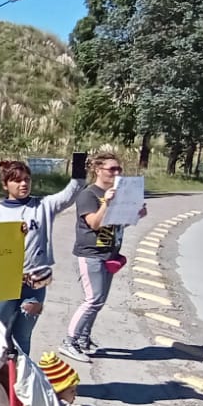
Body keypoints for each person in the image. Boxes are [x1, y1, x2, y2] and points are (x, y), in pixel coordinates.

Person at [0, 158, 86, 355]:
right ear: (5, 185)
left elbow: (71, 193)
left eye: (27, 179)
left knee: (23, 337)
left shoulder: (43, 206)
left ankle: (21, 381)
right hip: (3, 283)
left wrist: (80, 164)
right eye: (17, 180)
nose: (23, 184)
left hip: (34, 284)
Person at [60, 152, 146, 363]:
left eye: (119, 169)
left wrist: (135, 215)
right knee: (93, 299)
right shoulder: (89, 195)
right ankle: (69, 341)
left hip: (110, 252)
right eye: (112, 169)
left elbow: (116, 223)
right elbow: (95, 224)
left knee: (100, 301)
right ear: (98, 170)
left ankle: (83, 339)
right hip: (91, 254)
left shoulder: (117, 192)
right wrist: (106, 203)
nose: (116, 173)